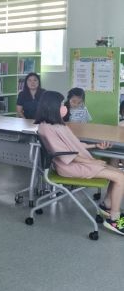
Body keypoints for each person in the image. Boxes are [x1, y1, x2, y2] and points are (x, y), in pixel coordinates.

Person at [36, 91, 124, 235]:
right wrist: (92, 162)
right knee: (120, 177)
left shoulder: (58, 124)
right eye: (60, 104)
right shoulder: (47, 128)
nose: (64, 107)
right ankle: (114, 218)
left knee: (119, 173)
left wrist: (96, 146)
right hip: (69, 167)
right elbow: (65, 154)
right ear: (51, 106)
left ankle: (107, 205)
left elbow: (75, 145)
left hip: (78, 162)